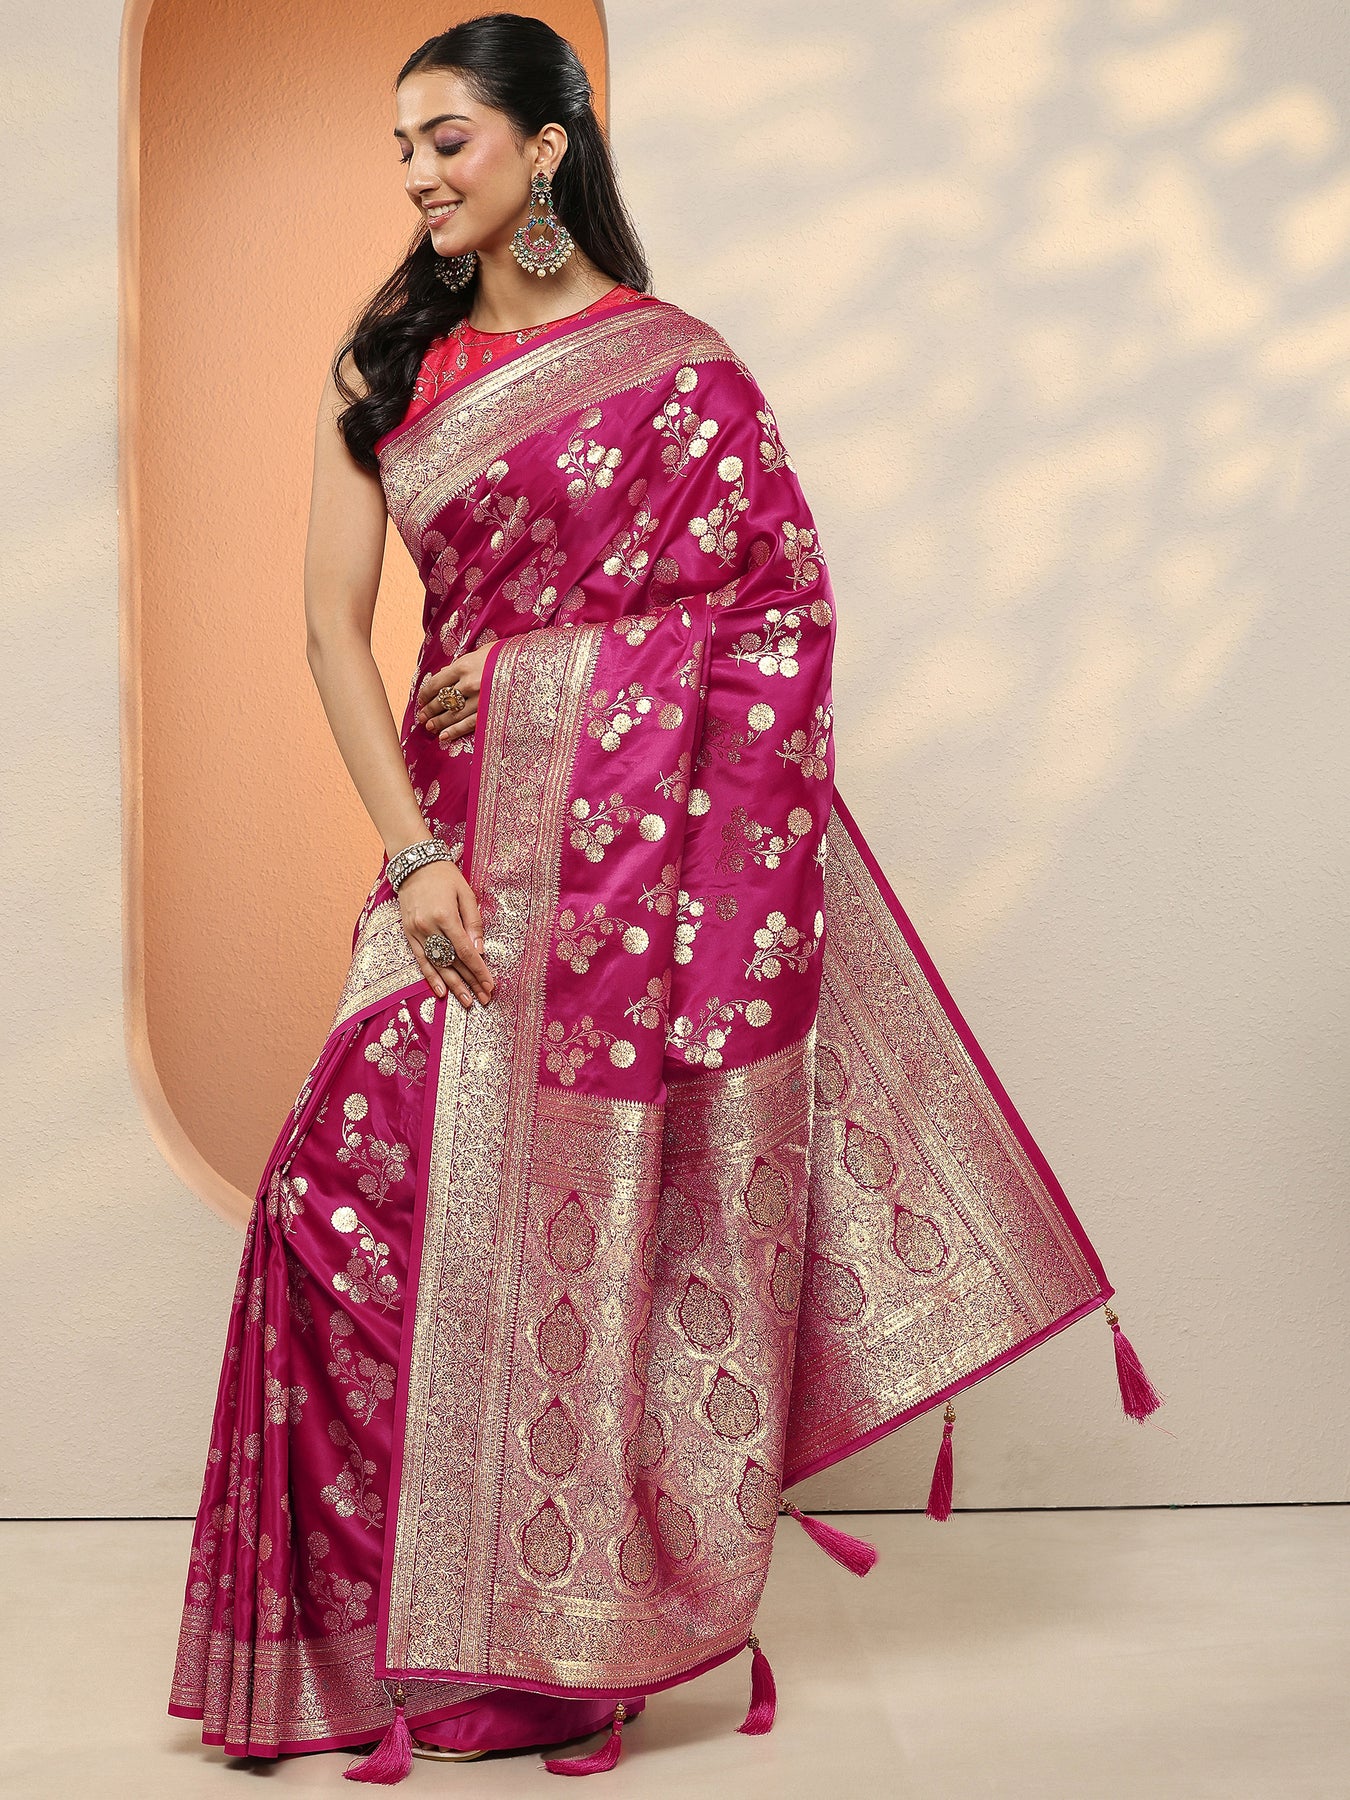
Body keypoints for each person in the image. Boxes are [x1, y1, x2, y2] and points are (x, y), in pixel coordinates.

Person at [168, 11, 1159, 1783]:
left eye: (448, 139)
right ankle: (363, 1642)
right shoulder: (387, 369)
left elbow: (779, 625)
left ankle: (546, 1652)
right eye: (401, 147)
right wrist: (415, 856)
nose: (417, 175)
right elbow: (328, 633)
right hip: (456, 858)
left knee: (589, 1238)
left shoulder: (680, 372)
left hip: (623, 891)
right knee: (333, 1201)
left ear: (544, 146)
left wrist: (541, 675)